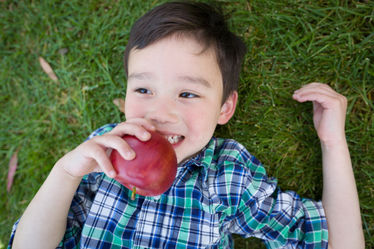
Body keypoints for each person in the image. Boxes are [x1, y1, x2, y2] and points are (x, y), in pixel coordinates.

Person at [9, 1, 364, 248]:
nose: (160, 112)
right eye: (144, 89)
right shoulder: (106, 153)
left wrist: (333, 143)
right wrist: (65, 173)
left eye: (188, 94)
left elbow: (335, 241)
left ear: (225, 108)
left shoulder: (226, 176)